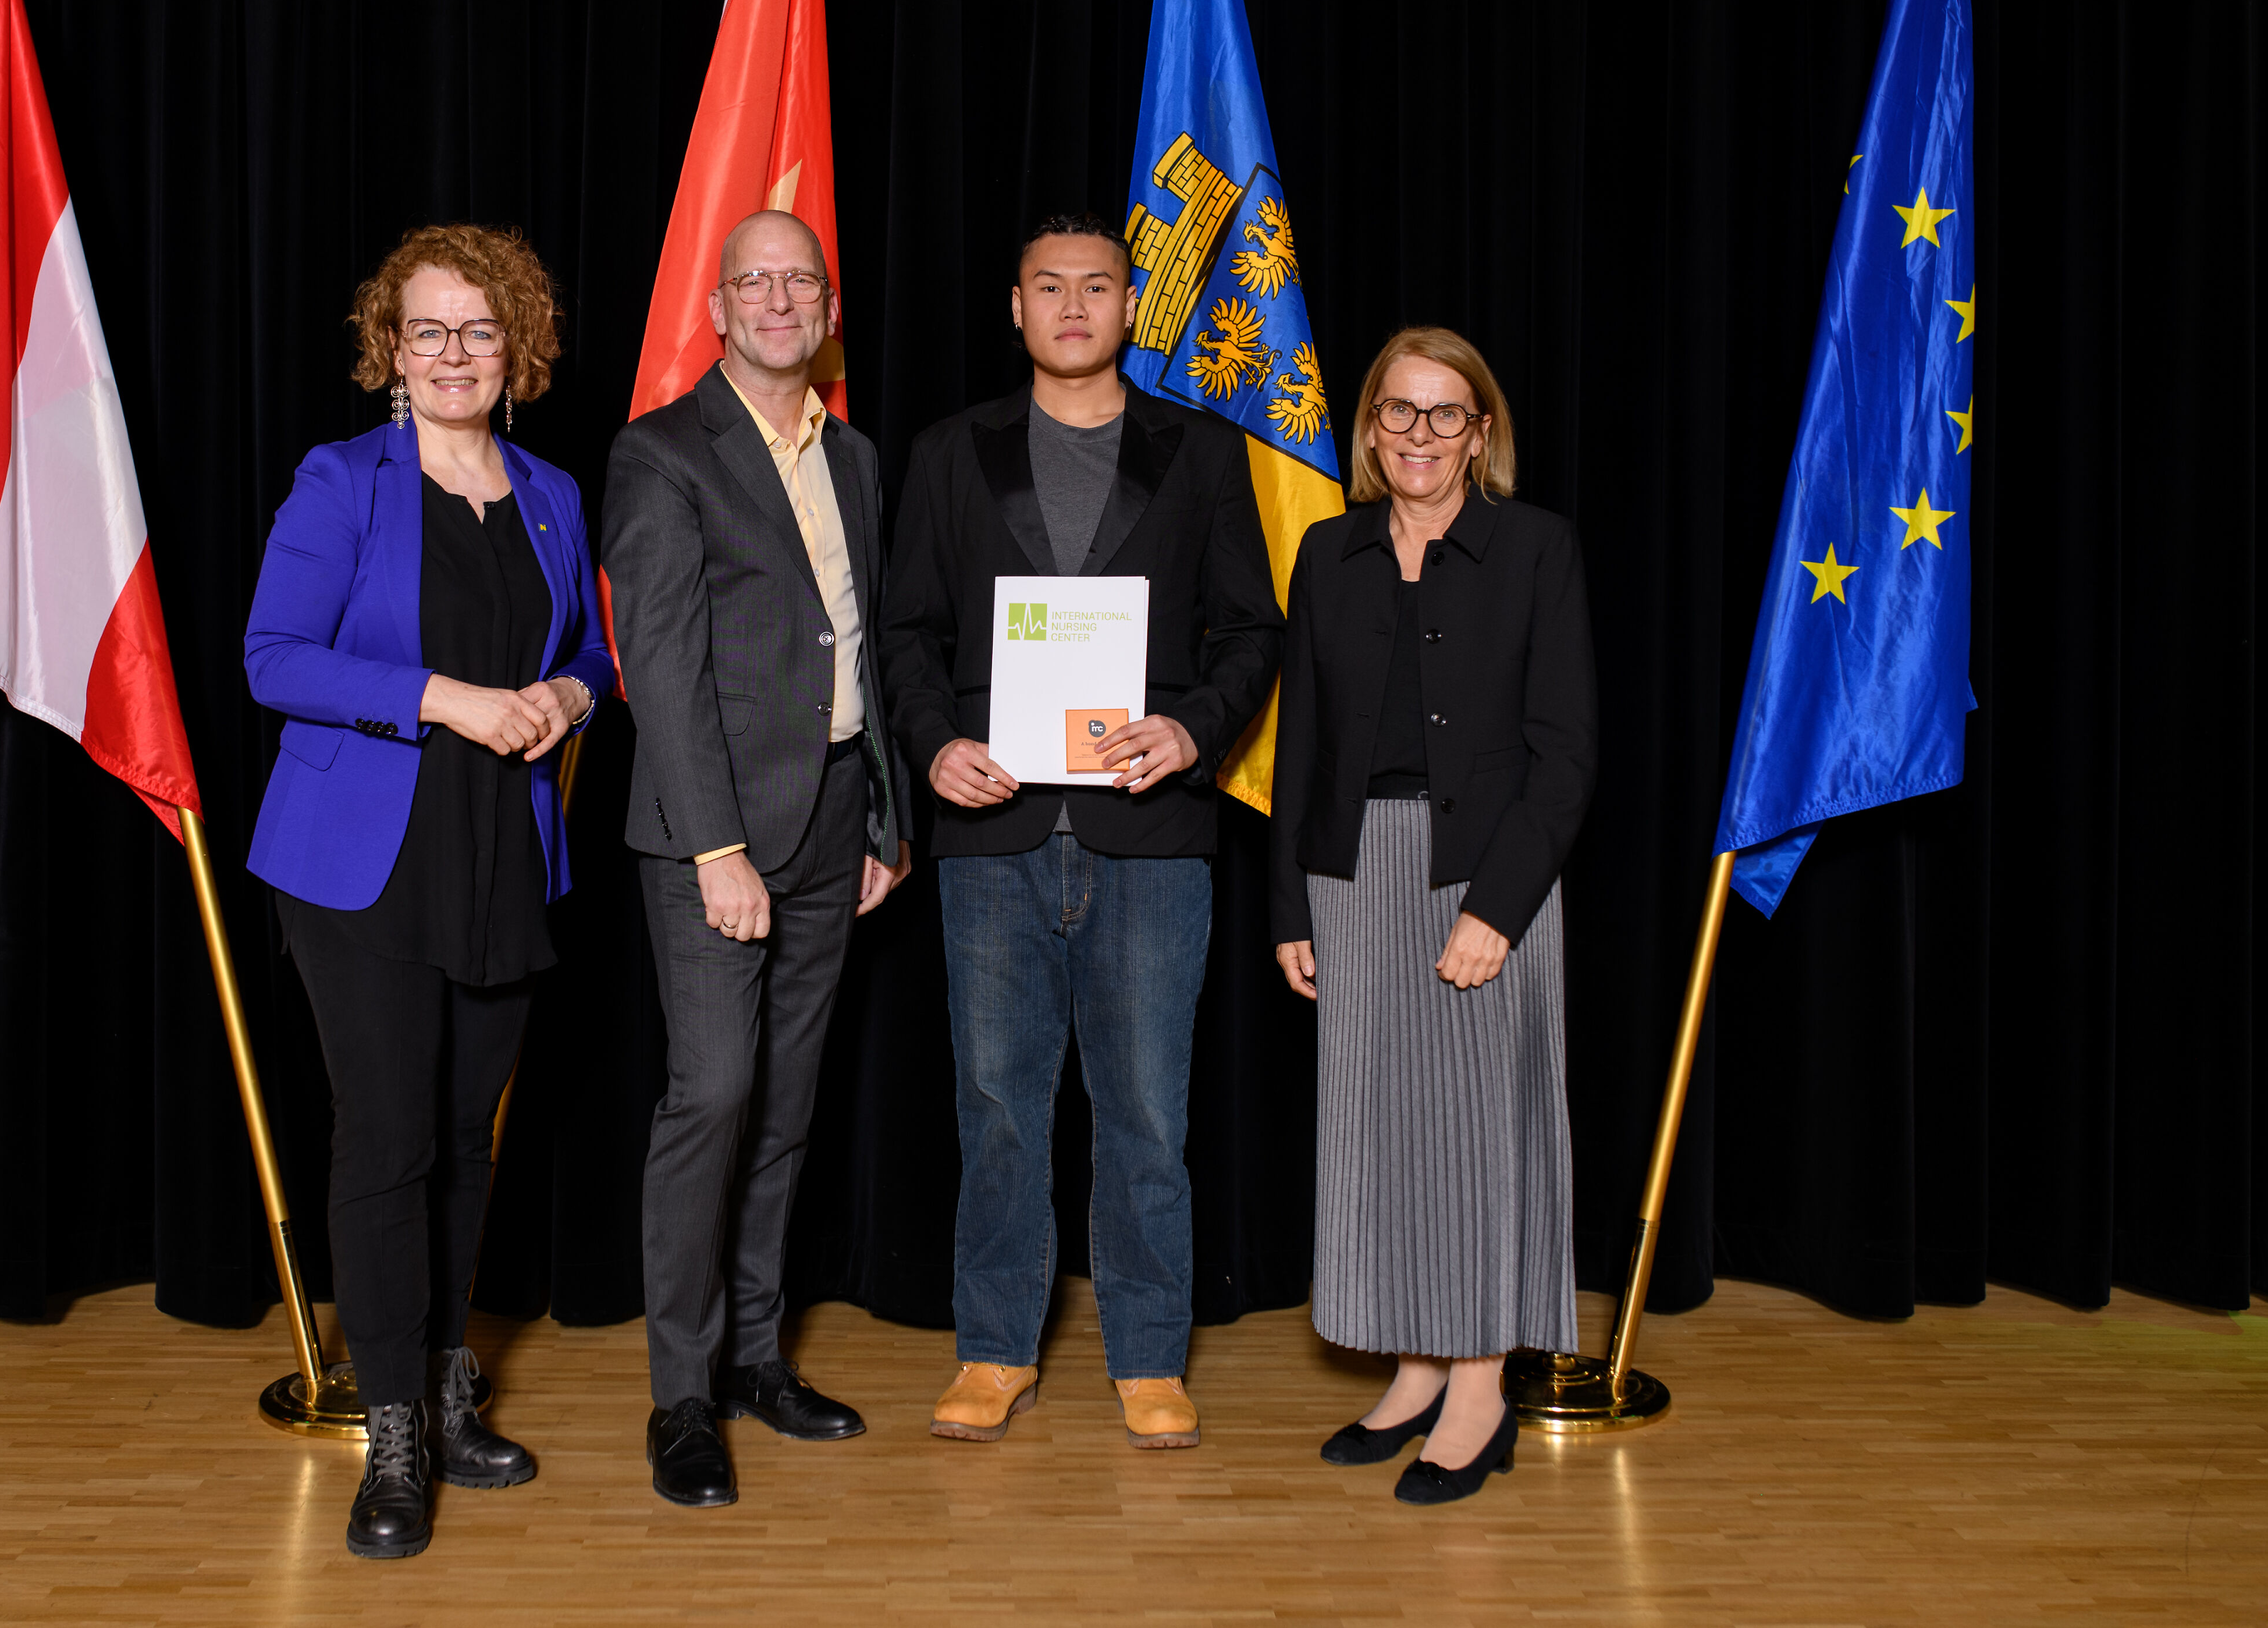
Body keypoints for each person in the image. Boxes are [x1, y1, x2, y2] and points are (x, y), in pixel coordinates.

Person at [242, 224, 617, 1558]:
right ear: (391, 350)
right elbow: (274, 657)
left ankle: (451, 1388)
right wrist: (444, 696)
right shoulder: (342, 479)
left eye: (479, 328)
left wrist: (570, 691)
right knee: (388, 1140)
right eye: (428, 330)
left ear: (517, 345)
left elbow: (592, 651)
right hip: (360, 862)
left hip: (502, 852)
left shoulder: (553, 491)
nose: (454, 352)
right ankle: (391, 1429)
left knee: (465, 1140)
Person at [881, 214, 1282, 1450]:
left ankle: (1149, 1355)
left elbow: (1251, 629)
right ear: (1015, 308)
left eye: (1096, 286)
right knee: (999, 1106)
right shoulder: (951, 451)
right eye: (1047, 286)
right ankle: (996, 1347)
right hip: (993, 829)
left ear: (1129, 303)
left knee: (1147, 1110)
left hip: (1151, 832)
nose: (1071, 305)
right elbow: (907, 631)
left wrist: (1193, 730)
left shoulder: (1202, 450)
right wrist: (931, 743)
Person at [601, 208, 912, 1509]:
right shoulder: (661, 452)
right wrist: (718, 846)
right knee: (715, 1095)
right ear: (719, 309)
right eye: (755, 282)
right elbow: (663, 666)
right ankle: (681, 1397)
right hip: (715, 832)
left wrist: (887, 816)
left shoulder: (855, 455)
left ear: (827, 309)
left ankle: (751, 1356)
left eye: (801, 280)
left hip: (836, 817)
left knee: (785, 1103)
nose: (780, 300)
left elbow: (862, 641)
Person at [1267, 325, 1595, 1507]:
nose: (1419, 433)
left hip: (1484, 876)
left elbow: (1566, 754)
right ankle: (1412, 1368)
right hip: (1353, 877)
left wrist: (1497, 909)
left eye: (1444, 412)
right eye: (1398, 411)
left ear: (1479, 430)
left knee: (1476, 1141)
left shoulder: (1536, 548)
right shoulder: (1328, 551)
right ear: (1369, 428)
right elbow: (1300, 743)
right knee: (1383, 1139)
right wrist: (1291, 900)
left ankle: (1477, 1390)